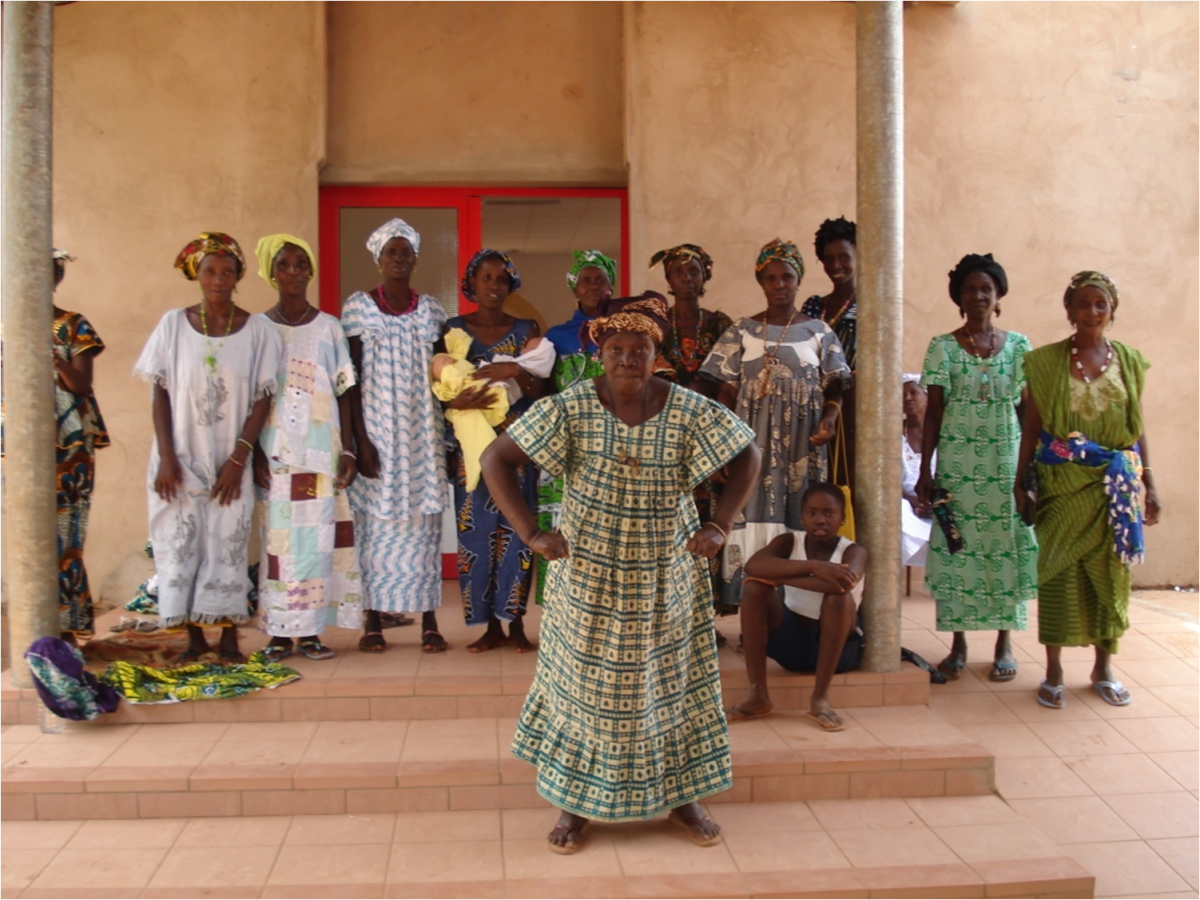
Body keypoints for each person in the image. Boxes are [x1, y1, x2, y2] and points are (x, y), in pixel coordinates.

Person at [480, 292, 761, 854]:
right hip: (588, 572)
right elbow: (496, 460)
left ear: (659, 356)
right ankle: (575, 805)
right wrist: (533, 533)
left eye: (641, 349)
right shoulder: (573, 405)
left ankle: (684, 797)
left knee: (670, 685)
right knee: (585, 688)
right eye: (616, 349)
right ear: (599, 354)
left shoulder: (686, 407)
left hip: (666, 572)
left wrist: (720, 524)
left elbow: (747, 454)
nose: (628, 358)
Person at [134, 232, 280, 665]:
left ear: (238, 277)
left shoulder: (257, 331)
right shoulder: (173, 326)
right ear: (197, 275)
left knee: (230, 544)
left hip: (230, 460)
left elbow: (262, 398)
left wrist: (239, 459)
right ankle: (195, 640)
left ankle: (230, 637)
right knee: (182, 545)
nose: (219, 279)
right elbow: (159, 392)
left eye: (227, 271)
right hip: (177, 459)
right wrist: (166, 456)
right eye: (210, 271)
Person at [1016, 271, 1160, 709]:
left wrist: (1149, 481)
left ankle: (1103, 669)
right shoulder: (1045, 362)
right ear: (1069, 310)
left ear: (1112, 310)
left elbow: (1136, 429)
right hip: (1063, 482)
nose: (1092, 312)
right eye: (1084, 303)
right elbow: (1033, 426)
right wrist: (1021, 479)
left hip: (1114, 490)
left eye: (1101, 304)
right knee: (1058, 574)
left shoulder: (1130, 362)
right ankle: (1054, 671)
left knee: (1110, 579)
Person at [700, 238, 851, 612]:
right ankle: (754, 603)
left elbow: (837, 385)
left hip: (804, 443)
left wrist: (829, 420)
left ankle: (798, 606)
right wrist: (723, 448)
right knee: (750, 513)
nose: (779, 284)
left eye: (787, 277)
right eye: (771, 278)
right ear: (761, 282)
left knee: (801, 514)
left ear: (798, 280)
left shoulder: (819, 331)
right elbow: (723, 391)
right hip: (751, 447)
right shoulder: (741, 331)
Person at [915, 253, 1037, 682]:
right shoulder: (943, 346)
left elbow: (1029, 411)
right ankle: (959, 643)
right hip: (959, 465)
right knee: (958, 546)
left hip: (1005, 463)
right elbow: (933, 412)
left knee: (1004, 544)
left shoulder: (1020, 347)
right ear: (959, 298)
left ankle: (1005, 642)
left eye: (986, 288)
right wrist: (926, 471)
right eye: (970, 289)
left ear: (998, 295)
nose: (979, 295)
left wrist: (1029, 469)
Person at [252, 234, 362, 663]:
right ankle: (280, 633)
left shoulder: (330, 328)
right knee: (278, 547)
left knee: (318, 546)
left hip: (322, 456)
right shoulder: (259, 329)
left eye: (302, 264)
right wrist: (256, 452)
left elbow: (346, 392)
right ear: (272, 272)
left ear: (311, 272)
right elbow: (253, 395)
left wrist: (348, 450)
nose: (294, 272)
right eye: (285, 265)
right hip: (277, 455)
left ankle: (313, 632)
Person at [343, 218, 448, 654]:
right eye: (392, 251)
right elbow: (347, 382)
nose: (399, 259)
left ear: (416, 259)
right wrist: (359, 443)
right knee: (373, 529)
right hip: (377, 437)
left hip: (423, 436)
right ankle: (372, 621)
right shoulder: (358, 309)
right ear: (379, 258)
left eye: (406, 252)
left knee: (424, 530)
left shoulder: (432, 312)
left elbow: (445, 377)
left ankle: (429, 620)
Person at [0, 250, 111, 644]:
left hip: (69, 450)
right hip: (18, 445)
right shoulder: (5, 326)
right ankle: (35, 627)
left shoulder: (73, 326)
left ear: (56, 277)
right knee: (27, 535)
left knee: (65, 536)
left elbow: (81, 385)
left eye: (42, 274)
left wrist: (50, 358)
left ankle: (67, 629)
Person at [448, 249, 552, 653]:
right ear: (471, 283)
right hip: (471, 454)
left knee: (518, 535)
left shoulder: (526, 329)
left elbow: (542, 390)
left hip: (517, 451)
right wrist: (454, 405)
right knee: (475, 537)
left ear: (510, 286)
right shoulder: (452, 329)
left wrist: (515, 370)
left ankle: (515, 624)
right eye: (486, 278)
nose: (494, 285)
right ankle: (487, 626)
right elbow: (438, 386)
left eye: (501, 279)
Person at [728, 483, 867, 731]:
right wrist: (813, 567)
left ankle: (820, 698)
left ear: (842, 517)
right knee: (754, 589)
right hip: (792, 648)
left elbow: (840, 587)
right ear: (802, 516)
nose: (820, 520)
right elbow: (753, 566)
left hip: (840, 653)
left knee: (839, 599)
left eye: (829, 513)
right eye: (811, 513)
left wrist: (780, 577)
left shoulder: (854, 551)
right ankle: (757, 694)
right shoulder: (789, 542)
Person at [534, 250, 615, 605]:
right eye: (586, 280)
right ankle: (562, 605)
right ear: (575, 289)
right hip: (568, 447)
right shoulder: (557, 336)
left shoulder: (622, 330)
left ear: (612, 286)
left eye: (600, 279)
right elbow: (546, 390)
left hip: (615, 444)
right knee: (563, 525)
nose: (593, 286)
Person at [802, 217, 859, 486]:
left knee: (856, 482)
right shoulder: (814, 307)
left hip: (858, 409)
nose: (836, 265)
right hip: (817, 405)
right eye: (829, 258)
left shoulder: (873, 304)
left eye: (844, 257)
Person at [649, 243, 731, 399]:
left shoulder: (720, 324)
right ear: (669, 278)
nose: (686, 278)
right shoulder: (656, 323)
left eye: (694, 272)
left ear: (704, 277)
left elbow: (730, 376)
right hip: (665, 409)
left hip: (710, 411)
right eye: (678, 272)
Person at [902, 374, 934, 567]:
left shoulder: (944, 434)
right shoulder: (893, 434)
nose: (908, 398)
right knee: (896, 512)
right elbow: (885, 481)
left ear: (928, 397)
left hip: (940, 504)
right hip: (906, 503)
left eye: (914, 392)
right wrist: (913, 501)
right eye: (903, 394)